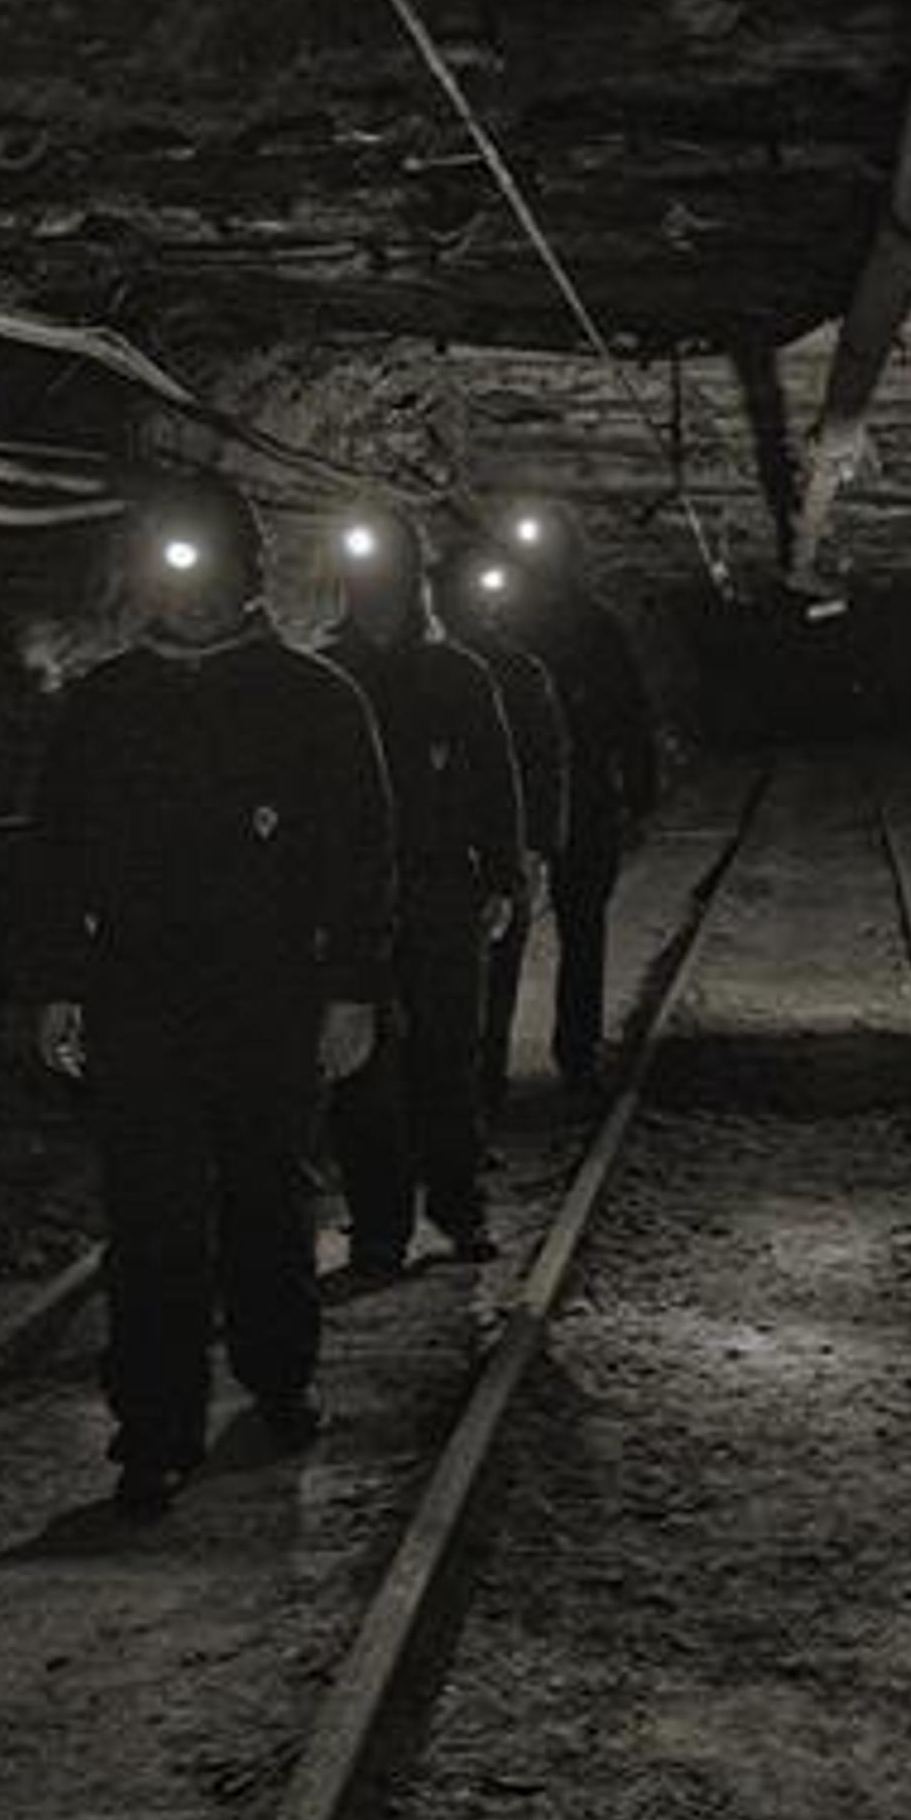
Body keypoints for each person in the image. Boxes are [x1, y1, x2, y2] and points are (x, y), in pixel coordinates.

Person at [20, 471, 396, 1515]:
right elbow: (57, 856)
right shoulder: (106, 706)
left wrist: (352, 991)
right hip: (141, 997)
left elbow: (361, 859)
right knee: (151, 1219)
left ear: (249, 574)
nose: (185, 591)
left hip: (270, 997)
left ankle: (280, 1375)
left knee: (267, 1197)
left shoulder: (316, 701)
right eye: (168, 568)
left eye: (205, 567)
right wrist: (57, 985)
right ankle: (155, 1427)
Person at [318, 506, 526, 1279]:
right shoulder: (324, 676)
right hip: (351, 903)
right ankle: (380, 1225)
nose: (378, 591)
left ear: (414, 582)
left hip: (439, 890)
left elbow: (495, 781)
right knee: (361, 1064)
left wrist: (503, 874)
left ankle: (457, 1206)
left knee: (446, 1055)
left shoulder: (457, 676)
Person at [501, 500, 660, 1098]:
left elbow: (628, 714)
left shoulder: (557, 626)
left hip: (571, 798)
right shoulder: (572, 626)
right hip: (545, 797)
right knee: (561, 927)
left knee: (567, 925)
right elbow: (633, 715)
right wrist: (640, 795)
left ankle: (568, 1050)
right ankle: (567, 1053)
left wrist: (639, 792)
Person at [439, 548, 569, 1130]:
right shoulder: (433, 669)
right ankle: (463, 1109)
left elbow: (544, 762)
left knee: (488, 990)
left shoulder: (515, 673)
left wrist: (534, 848)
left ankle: (477, 1107)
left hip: (490, 848)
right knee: (478, 991)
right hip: (446, 853)